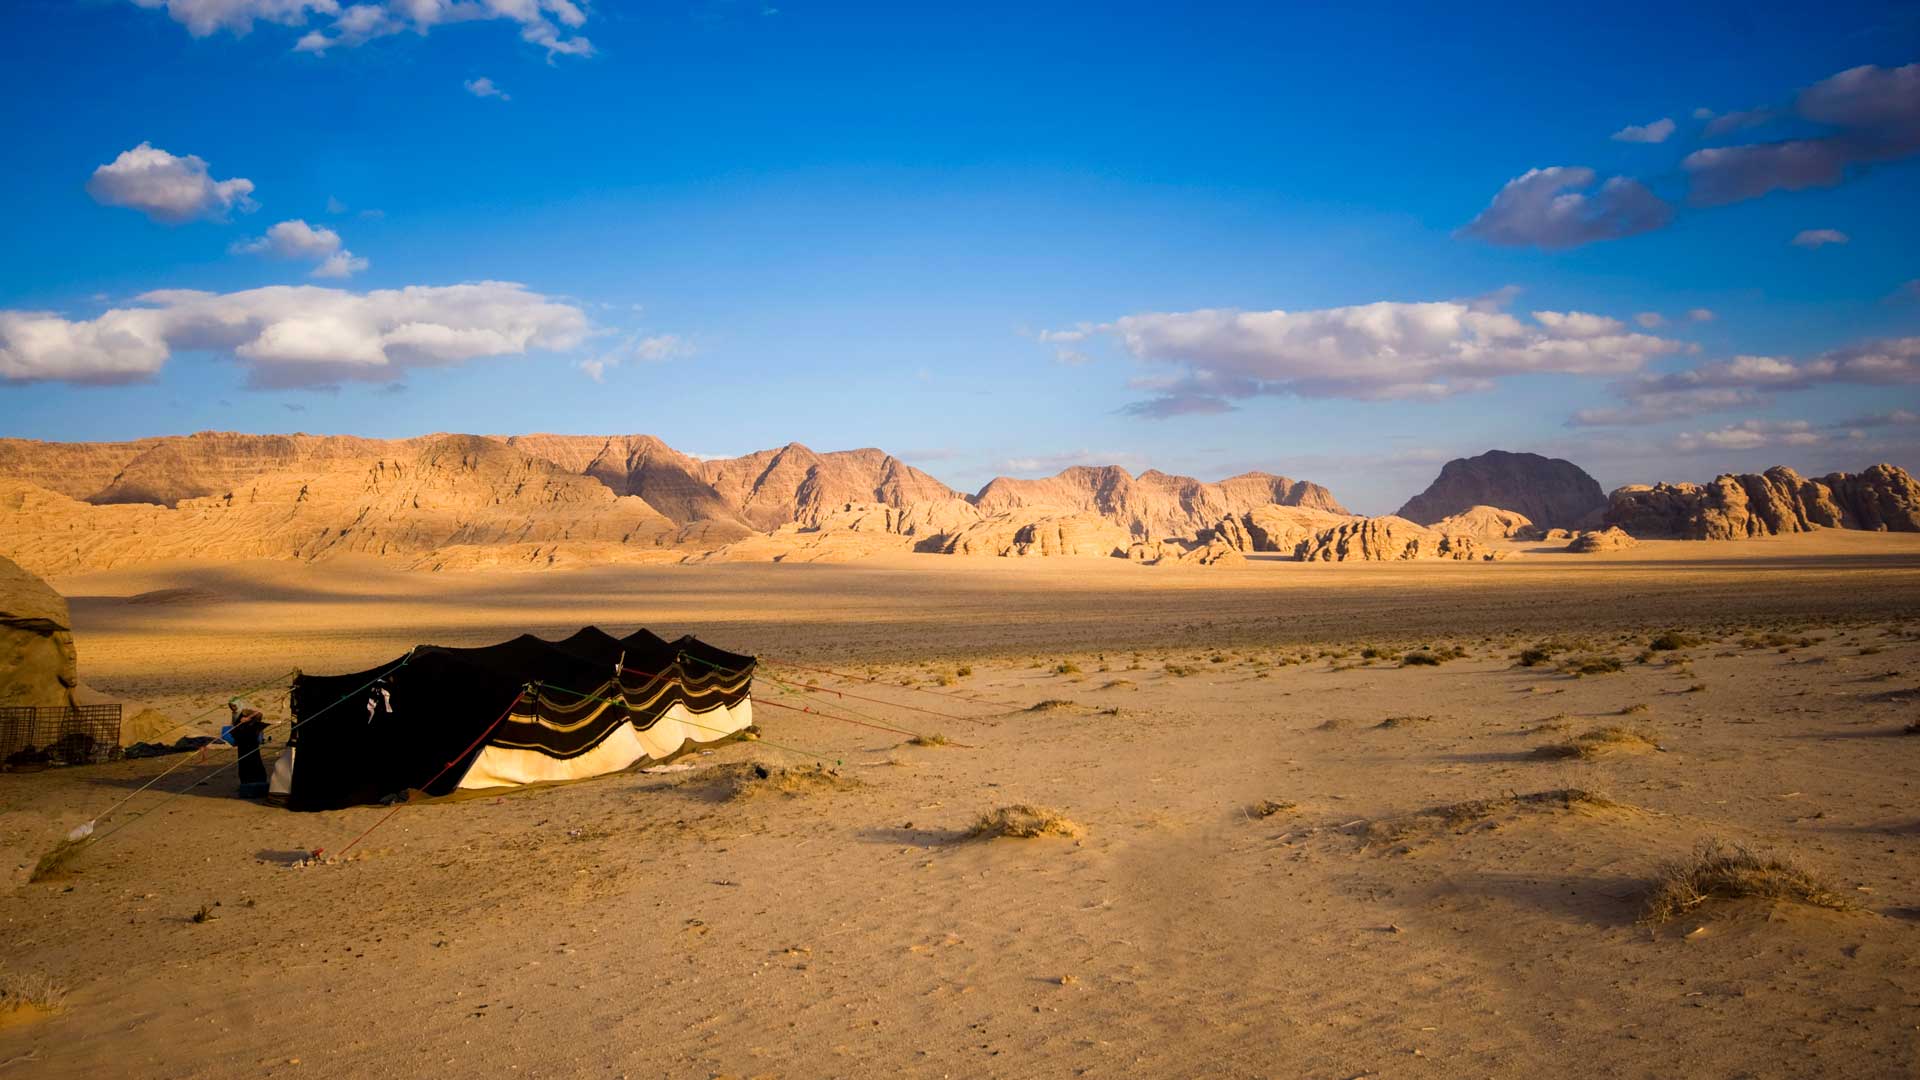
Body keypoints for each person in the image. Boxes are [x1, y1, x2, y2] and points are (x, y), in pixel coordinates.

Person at [228, 699, 270, 798]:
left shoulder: (245, 711)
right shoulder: (234, 714)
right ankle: (245, 784)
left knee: (254, 760)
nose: (232, 708)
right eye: (230, 706)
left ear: (238, 705)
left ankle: (259, 783)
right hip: (242, 742)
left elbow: (259, 714)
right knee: (243, 762)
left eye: (233, 706)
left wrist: (248, 719)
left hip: (250, 741)